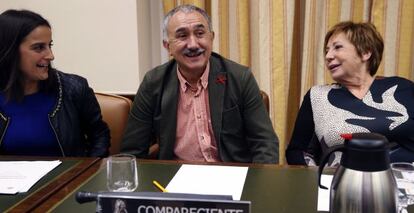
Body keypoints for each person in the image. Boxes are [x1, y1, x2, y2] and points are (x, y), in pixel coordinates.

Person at [121, 4, 279, 163]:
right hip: (175, 178)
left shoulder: (240, 78)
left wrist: (257, 184)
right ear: (167, 46)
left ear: (211, 38)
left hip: (231, 176)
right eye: (182, 36)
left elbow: (265, 144)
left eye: (200, 33)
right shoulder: (153, 83)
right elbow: (132, 151)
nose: (193, 44)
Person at [286, 21, 414, 166]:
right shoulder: (318, 96)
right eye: (327, 50)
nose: (328, 56)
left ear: (365, 52)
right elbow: (297, 151)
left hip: (405, 182)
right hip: (342, 182)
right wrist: (317, 180)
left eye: (337, 47)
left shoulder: (404, 88)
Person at [0, 9, 110, 157]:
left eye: (49, 45)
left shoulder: (74, 88)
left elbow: (100, 136)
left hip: (67, 179)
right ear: (10, 50)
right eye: (39, 47)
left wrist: (85, 172)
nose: (51, 56)